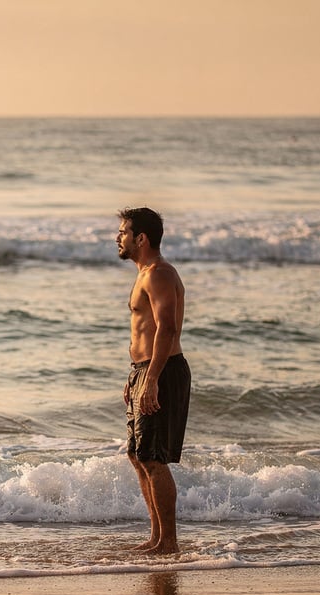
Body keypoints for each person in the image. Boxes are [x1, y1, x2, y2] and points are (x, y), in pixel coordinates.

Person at [116, 207, 191, 554]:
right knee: (137, 455)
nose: (118, 238)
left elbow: (167, 328)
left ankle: (169, 543)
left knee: (153, 458)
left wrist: (153, 378)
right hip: (145, 370)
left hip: (162, 370)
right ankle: (157, 537)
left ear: (141, 238)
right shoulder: (146, 273)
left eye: (123, 232)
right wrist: (135, 377)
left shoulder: (158, 274)